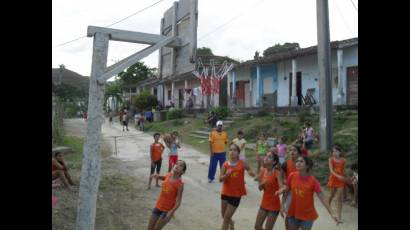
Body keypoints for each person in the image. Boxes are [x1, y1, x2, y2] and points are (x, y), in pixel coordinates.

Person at [281, 156, 340, 229]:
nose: (298, 163)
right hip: (293, 212)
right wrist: (282, 205)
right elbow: (286, 192)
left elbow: (323, 198)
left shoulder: (313, 181)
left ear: (307, 166)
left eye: (301, 161)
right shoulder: (292, 176)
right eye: (297, 161)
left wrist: (332, 213)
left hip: (307, 215)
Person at [219, 143, 256, 230]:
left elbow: (250, 170)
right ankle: (232, 224)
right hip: (225, 193)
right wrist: (226, 175)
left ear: (238, 153)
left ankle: (229, 224)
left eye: (234, 150)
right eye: (230, 150)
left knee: (226, 218)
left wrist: (252, 173)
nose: (232, 152)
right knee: (224, 216)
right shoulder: (225, 164)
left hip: (236, 194)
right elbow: (220, 179)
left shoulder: (242, 163)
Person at [147, 160, 187, 230]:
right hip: (158, 206)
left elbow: (178, 201)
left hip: (166, 211)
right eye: (176, 163)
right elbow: (165, 178)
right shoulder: (169, 175)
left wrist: (171, 212)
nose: (177, 165)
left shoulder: (180, 184)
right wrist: (157, 176)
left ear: (182, 172)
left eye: (180, 165)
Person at [254, 151, 285, 230]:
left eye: (270, 157)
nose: (266, 158)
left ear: (274, 161)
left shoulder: (277, 173)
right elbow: (260, 188)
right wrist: (262, 184)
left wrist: (280, 191)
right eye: (266, 156)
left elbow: (281, 187)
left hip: (274, 205)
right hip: (264, 203)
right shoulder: (263, 171)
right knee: (257, 226)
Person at [281, 145, 302, 230]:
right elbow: (281, 177)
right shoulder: (285, 163)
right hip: (288, 192)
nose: (292, 152)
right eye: (291, 150)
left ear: (299, 153)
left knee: (299, 214)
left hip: (300, 192)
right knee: (288, 214)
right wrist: (286, 182)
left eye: (294, 150)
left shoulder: (303, 163)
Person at [327, 145, 348, 222]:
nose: (334, 153)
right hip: (333, 179)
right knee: (331, 195)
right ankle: (328, 205)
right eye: (333, 151)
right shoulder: (330, 159)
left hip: (340, 181)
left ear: (340, 152)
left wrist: (347, 178)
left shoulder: (344, 160)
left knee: (339, 199)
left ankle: (339, 216)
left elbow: (344, 171)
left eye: (336, 151)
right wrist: (338, 176)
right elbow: (331, 171)